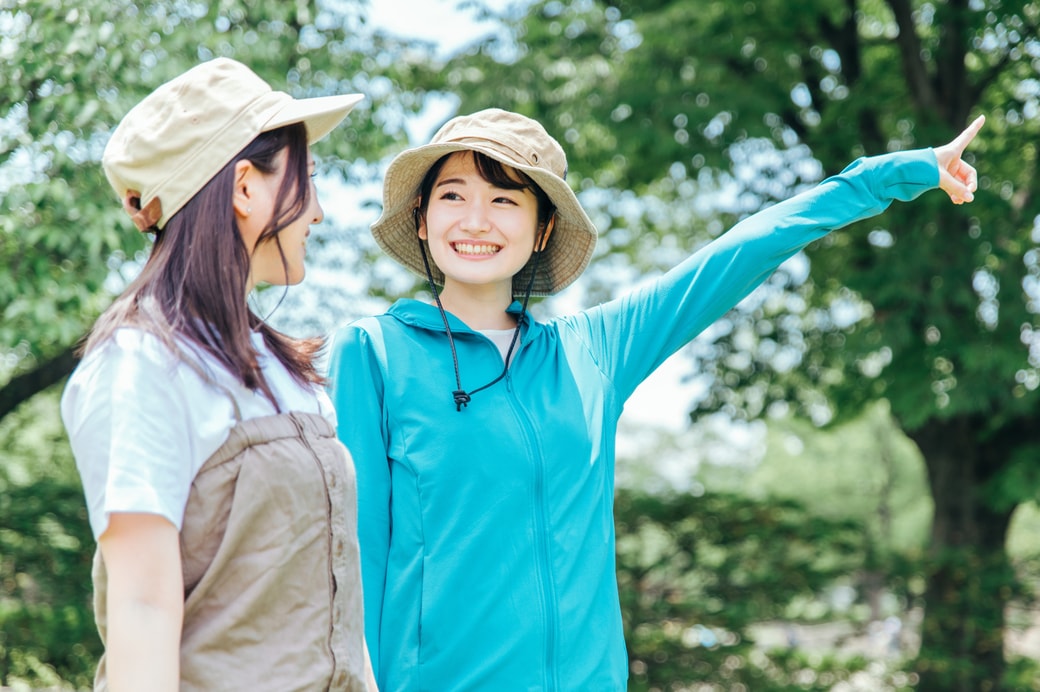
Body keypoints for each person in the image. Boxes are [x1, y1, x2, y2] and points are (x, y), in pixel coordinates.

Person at [328, 108, 984, 690]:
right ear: (421, 217)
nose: (475, 220)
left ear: (542, 230)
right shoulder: (374, 353)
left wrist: (893, 176)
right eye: (452, 196)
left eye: (505, 200)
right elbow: (356, 555)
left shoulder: (591, 352)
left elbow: (742, 250)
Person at [61, 58, 376, 691]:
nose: (316, 211)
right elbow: (141, 611)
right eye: (307, 178)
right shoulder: (140, 366)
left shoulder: (291, 375)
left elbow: (339, 614)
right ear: (243, 187)